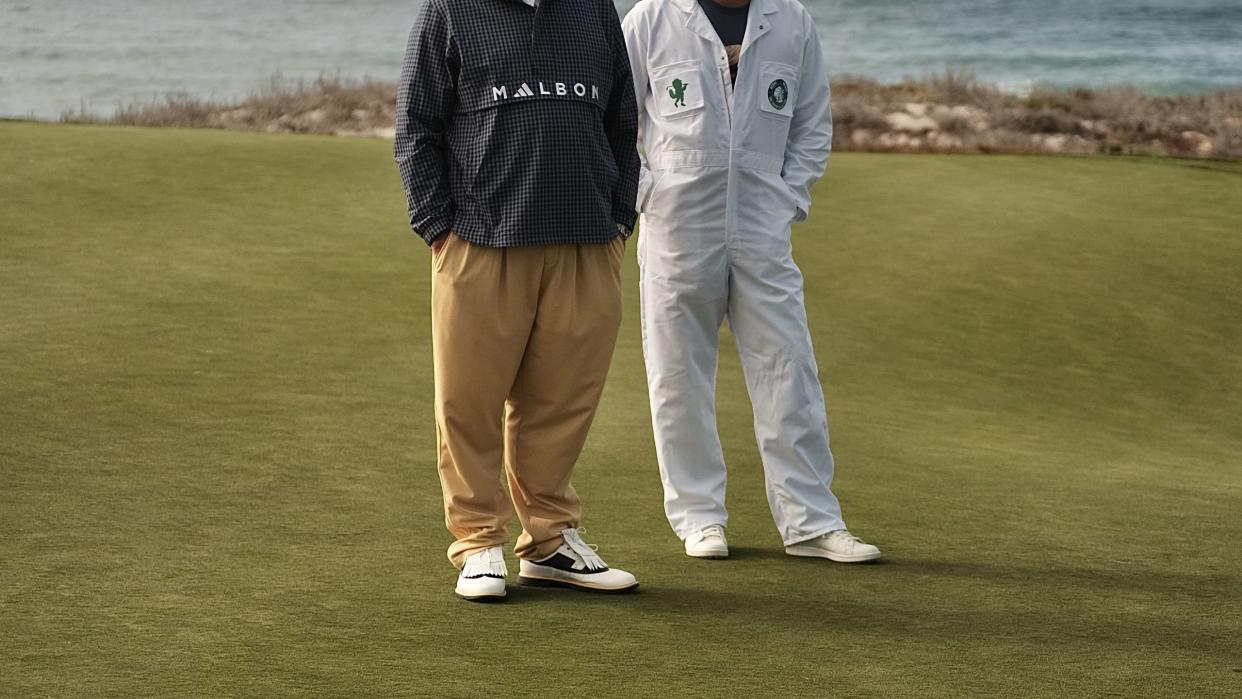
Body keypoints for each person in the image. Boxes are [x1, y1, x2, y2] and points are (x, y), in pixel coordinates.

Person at [395, 0, 641, 601]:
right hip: (481, 239)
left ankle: (551, 541)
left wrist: (617, 217)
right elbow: (417, 128)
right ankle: (479, 541)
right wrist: (438, 227)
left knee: (563, 400)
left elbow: (623, 123)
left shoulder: (593, 10)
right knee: (468, 399)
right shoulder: (450, 10)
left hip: (585, 238)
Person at [622, 0, 881, 562]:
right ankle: (699, 518)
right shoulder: (651, 18)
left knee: (790, 370)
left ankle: (810, 523)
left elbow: (812, 123)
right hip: (678, 226)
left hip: (763, 226)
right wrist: (647, 193)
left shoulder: (793, 21)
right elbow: (616, 118)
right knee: (677, 376)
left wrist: (789, 198)